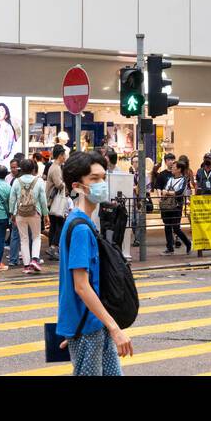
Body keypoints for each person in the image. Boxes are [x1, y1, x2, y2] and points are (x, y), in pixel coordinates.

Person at [56, 148, 133, 376]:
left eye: (103, 177)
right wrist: (114, 328)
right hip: (87, 326)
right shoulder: (80, 228)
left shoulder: (83, 222)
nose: (101, 184)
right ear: (77, 186)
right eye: (94, 179)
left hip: (92, 323)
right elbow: (80, 285)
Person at [10, 158, 48, 273]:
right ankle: (35, 260)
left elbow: (12, 199)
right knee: (36, 237)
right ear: (33, 169)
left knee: (24, 239)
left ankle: (26, 266)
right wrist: (46, 214)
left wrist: (12, 213)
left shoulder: (17, 181)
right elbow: (43, 199)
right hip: (34, 212)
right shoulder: (39, 181)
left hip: (20, 213)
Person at [160, 160, 192, 255]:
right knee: (167, 226)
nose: (172, 169)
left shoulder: (183, 180)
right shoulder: (170, 179)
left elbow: (179, 192)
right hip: (167, 206)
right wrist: (167, 192)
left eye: (174, 168)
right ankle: (170, 248)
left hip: (177, 206)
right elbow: (164, 189)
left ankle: (187, 243)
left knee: (176, 228)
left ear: (179, 169)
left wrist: (168, 193)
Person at [45, 145, 67, 260]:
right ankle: (53, 247)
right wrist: (66, 184)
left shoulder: (53, 167)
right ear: (60, 155)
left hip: (51, 201)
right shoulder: (56, 168)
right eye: (64, 155)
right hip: (55, 201)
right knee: (59, 224)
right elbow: (59, 184)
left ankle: (51, 249)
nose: (65, 158)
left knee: (54, 225)